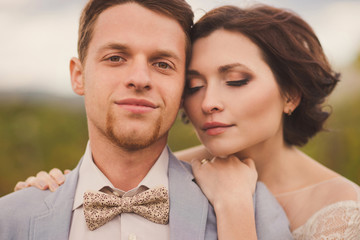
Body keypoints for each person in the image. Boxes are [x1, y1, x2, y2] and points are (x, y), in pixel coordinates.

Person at [18, 3, 360, 239]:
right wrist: (51, 193)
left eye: (237, 80)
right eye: (194, 86)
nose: (208, 103)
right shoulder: (170, 173)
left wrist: (235, 207)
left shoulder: (346, 215)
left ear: (291, 95)